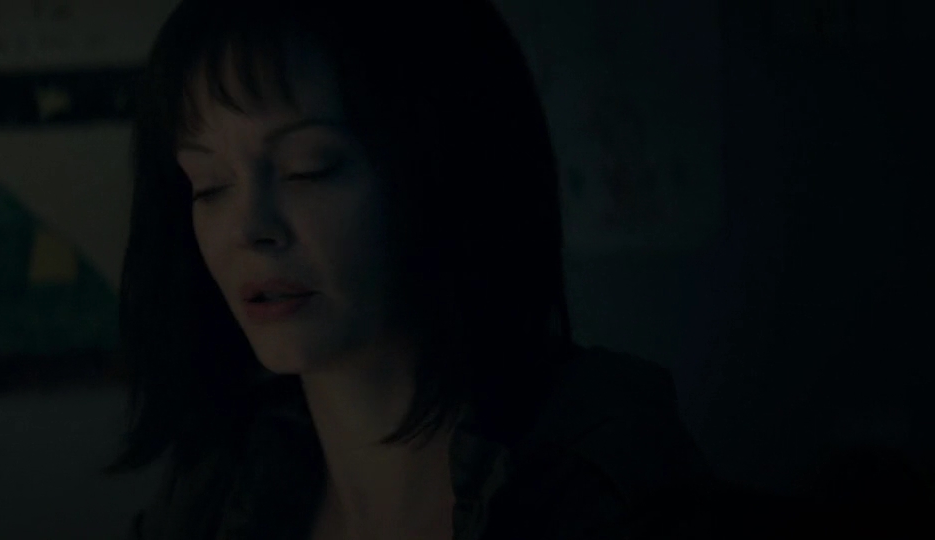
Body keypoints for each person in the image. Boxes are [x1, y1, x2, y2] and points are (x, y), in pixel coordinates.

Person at [106, 0, 714, 538]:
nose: (249, 228)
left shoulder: (610, 501)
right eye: (209, 184)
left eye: (308, 167)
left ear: (444, 168)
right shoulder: (219, 493)